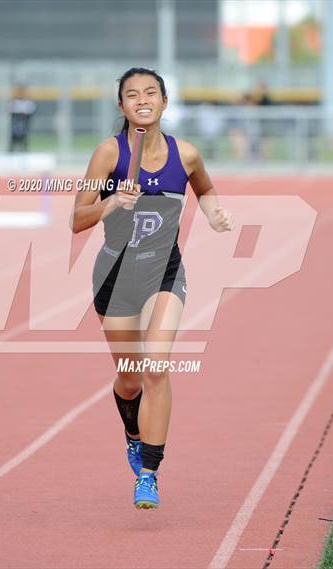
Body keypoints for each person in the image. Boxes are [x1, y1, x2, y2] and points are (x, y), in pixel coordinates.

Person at [70, 67, 234, 509]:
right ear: (121, 105)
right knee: (129, 379)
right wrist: (110, 203)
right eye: (132, 94)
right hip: (115, 278)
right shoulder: (109, 154)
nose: (142, 99)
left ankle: (148, 473)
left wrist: (216, 214)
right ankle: (132, 431)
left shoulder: (188, 154)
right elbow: (76, 220)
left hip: (165, 272)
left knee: (156, 368)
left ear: (164, 101)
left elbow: (206, 188)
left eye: (150, 92)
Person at [9, 86, 36, 152]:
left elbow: (31, 111)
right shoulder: (14, 102)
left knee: (24, 144)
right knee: (13, 144)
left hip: (24, 127)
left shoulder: (28, 102)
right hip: (15, 128)